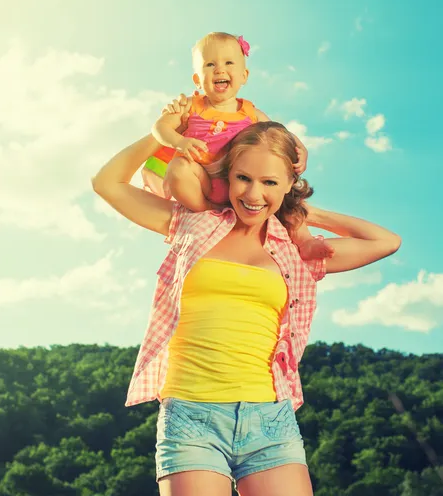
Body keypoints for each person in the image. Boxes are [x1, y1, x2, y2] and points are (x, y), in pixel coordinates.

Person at [92, 120, 401, 496]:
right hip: (192, 418)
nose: (254, 193)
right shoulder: (192, 225)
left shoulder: (295, 251)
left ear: (289, 184)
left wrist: (305, 212)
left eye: (270, 182)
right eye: (243, 178)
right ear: (227, 176)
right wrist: (163, 133)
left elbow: (386, 241)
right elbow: (107, 183)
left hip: (269, 420)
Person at [143, 31, 325, 261]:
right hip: (204, 183)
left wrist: (302, 150)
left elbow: (282, 136)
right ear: (197, 80)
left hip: (238, 185)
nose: (219, 69)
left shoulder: (250, 112)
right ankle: (207, 214)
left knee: (288, 201)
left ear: (244, 75)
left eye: (229, 62)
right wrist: (179, 141)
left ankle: (306, 241)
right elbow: (159, 128)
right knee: (178, 168)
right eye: (210, 64)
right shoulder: (192, 106)